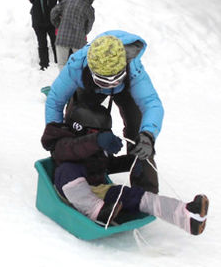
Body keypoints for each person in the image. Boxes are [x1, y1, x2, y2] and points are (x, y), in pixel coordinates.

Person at [41, 103, 209, 235]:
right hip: (70, 194)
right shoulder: (63, 144)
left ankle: (186, 215)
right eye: (97, 132)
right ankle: (96, 212)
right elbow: (73, 149)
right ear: (81, 129)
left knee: (133, 196)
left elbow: (106, 166)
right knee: (68, 170)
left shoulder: (97, 150)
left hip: (99, 191)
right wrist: (97, 140)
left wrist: (131, 161)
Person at [44, 31, 164, 194]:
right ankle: (75, 169)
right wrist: (56, 138)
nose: (107, 86)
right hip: (89, 86)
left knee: (138, 129)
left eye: (113, 80)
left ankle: (144, 191)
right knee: (76, 122)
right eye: (103, 81)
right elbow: (54, 102)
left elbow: (152, 104)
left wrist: (148, 136)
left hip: (125, 88)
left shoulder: (133, 67)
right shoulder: (76, 65)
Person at [24, 0, 67, 70]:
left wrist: (60, 11)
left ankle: (59, 61)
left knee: (55, 42)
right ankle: (44, 64)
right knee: (42, 44)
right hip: (38, 23)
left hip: (52, 22)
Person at [51, 0, 96, 70]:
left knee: (62, 64)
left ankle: (64, 81)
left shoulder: (68, 1)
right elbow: (89, 26)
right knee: (80, 64)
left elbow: (54, 12)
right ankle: (78, 81)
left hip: (62, 37)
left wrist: (59, 25)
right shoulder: (89, 9)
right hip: (78, 40)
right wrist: (83, 33)